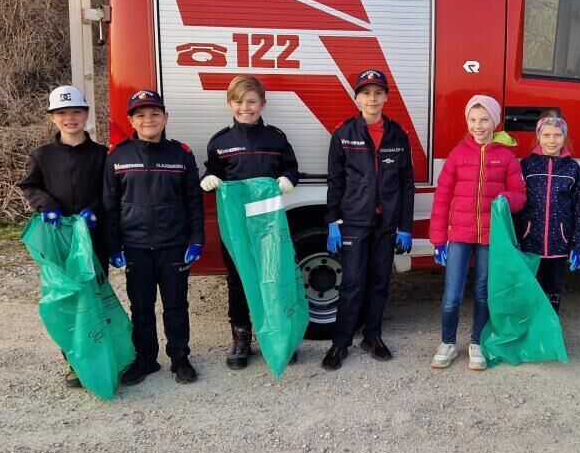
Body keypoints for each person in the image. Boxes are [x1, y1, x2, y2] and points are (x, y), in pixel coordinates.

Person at [102, 89, 205, 386]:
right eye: (141, 115)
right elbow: (109, 205)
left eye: (155, 114)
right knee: (141, 307)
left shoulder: (181, 154)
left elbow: (194, 202)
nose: (149, 120)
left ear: (165, 118)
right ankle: (146, 359)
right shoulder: (118, 156)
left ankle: (180, 358)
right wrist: (113, 246)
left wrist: (197, 239)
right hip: (135, 247)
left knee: (176, 306)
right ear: (131, 121)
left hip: (174, 246)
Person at [199, 75, 300, 370]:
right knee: (238, 280)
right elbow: (212, 170)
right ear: (230, 104)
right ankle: (241, 338)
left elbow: (291, 167)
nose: (246, 108)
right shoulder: (220, 142)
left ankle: (280, 336)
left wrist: (288, 178)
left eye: (252, 102)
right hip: (237, 227)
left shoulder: (276, 138)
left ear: (262, 104)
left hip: (269, 225)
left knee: (274, 276)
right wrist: (208, 178)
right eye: (239, 102)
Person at [320, 69, 416, 370]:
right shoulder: (343, 134)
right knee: (352, 283)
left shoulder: (398, 134)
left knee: (379, 283)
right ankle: (340, 342)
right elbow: (335, 181)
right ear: (357, 98)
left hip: (386, 224)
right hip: (353, 222)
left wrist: (406, 227)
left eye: (378, 93)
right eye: (366, 93)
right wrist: (333, 222)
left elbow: (406, 185)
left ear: (386, 97)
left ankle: (372, 337)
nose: (372, 98)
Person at [19, 85, 108, 388]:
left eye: (76, 112)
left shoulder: (101, 155)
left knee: (95, 298)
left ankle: (99, 352)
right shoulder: (42, 156)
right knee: (67, 299)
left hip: (93, 239)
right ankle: (72, 359)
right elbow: (30, 186)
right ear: (52, 118)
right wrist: (47, 206)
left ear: (86, 115)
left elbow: (109, 191)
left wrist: (94, 210)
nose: (70, 118)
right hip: (59, 239)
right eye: (62, 113)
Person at [428, 95, 526, 371]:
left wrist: (507, 198)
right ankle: (447, 343)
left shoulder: (506, 157)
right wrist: (438, 239)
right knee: (452, 294)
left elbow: (520, 195)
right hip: (459, 235)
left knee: (483, 291)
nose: (478, 126)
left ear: (495, 122)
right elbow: (442, 198)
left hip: (489, 237)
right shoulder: (458, 155)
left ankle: (477, 343)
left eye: (484, 120)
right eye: (473, 120)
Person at [515, 114, 580, 314]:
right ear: (538, 137)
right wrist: (516, 239)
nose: (552, 140)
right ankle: (532, 329)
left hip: (559, 244)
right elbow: (517, 204)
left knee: (553, 290)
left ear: (564, 137)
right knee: (531, 289)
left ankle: (550, 329)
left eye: (557, 135)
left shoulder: (572, 168)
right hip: (530, 243)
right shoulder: (527, 165)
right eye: (546, 135)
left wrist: (579, 245)